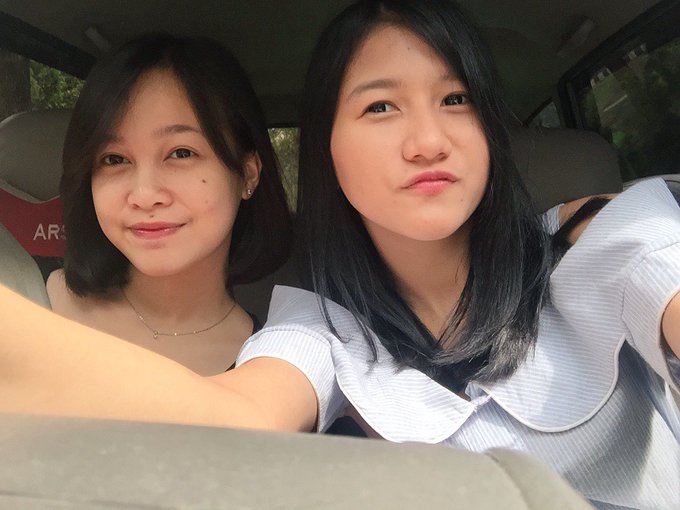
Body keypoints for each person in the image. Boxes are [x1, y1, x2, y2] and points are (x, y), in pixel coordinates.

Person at [0, 1, 678, 507]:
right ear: (327, 147)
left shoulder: (611, 237)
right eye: (381, 107)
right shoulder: (317, 327)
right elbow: (236, 420)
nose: (428, 141)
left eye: (456, 99)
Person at [45, 34, 292, 375]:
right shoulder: (26, 298)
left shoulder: (277, 370)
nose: (145, 195)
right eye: (115, 159)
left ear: (247, 174)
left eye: (181, 153)